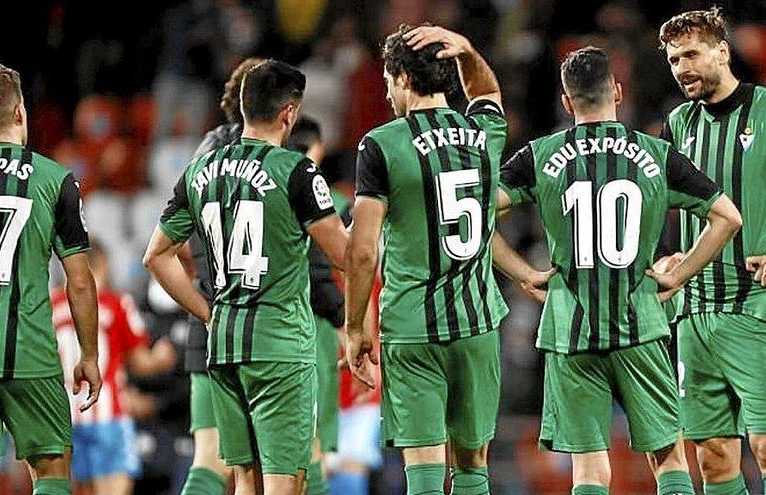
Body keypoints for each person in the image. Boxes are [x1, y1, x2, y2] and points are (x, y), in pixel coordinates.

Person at [492, 45, 742, 495]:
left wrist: (521, 272)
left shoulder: (539, 154)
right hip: (640, 324)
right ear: (618, 92)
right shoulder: (656, 154)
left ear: (567, 102)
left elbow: (474, 212)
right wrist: (679, 274)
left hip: (571, 330)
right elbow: (728, 217)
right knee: (668, 459)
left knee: (589, 471)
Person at [144, 60, 349, 495]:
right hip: (278, 339)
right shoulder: (293, 169)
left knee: (237, 475)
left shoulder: (200, 167)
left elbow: (159, 254)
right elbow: (345, 257)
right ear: (289, 114)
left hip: (222, 337)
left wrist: (208, 309)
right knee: (287, 476)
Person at [658, 8, 766, 494]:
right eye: (674, 60)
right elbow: (664, 205)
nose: (682, 68)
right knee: (714, 460)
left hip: (757, 311)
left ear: (722, 50)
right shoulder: (677, 124)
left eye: (691, 54)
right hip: (695, 316)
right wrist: (668, 254)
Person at [345, 24, 510, 495]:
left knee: (422, 464)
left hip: (411, 324)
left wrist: (356, 327)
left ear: (401, 78)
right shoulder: (483, 132)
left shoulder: (381, 144)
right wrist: (470, 51)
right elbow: (489, 90)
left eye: (386, 82)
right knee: (473, 462)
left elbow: (362, 251)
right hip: (476, 322)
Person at [0, 62, 101, 495]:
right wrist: (89, 354)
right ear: (20, 111)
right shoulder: (55, 180)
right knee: (53, 471)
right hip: (30, 349)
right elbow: (78, 280)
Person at [180, 56, 264, 495]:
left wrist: (205, 300)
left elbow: (168, 243)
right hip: (264, 326)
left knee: (210, 461)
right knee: (274, 464)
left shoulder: (200, 162)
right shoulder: (274, 159)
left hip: (209, 319)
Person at [52, 238, 177, 495]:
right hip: (108, 417)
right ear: (104, 263)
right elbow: (141, 364)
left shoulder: (52, 307)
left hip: (64, 418)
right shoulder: (115, 303)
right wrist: (162, 358)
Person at [284, 117, 351, 495]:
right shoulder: (333, 201)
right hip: (315, 329)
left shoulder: (262, 188)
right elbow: (341, 273)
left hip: (259, 326)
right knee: (314, 446)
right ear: (318, 149)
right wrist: (350, 327)